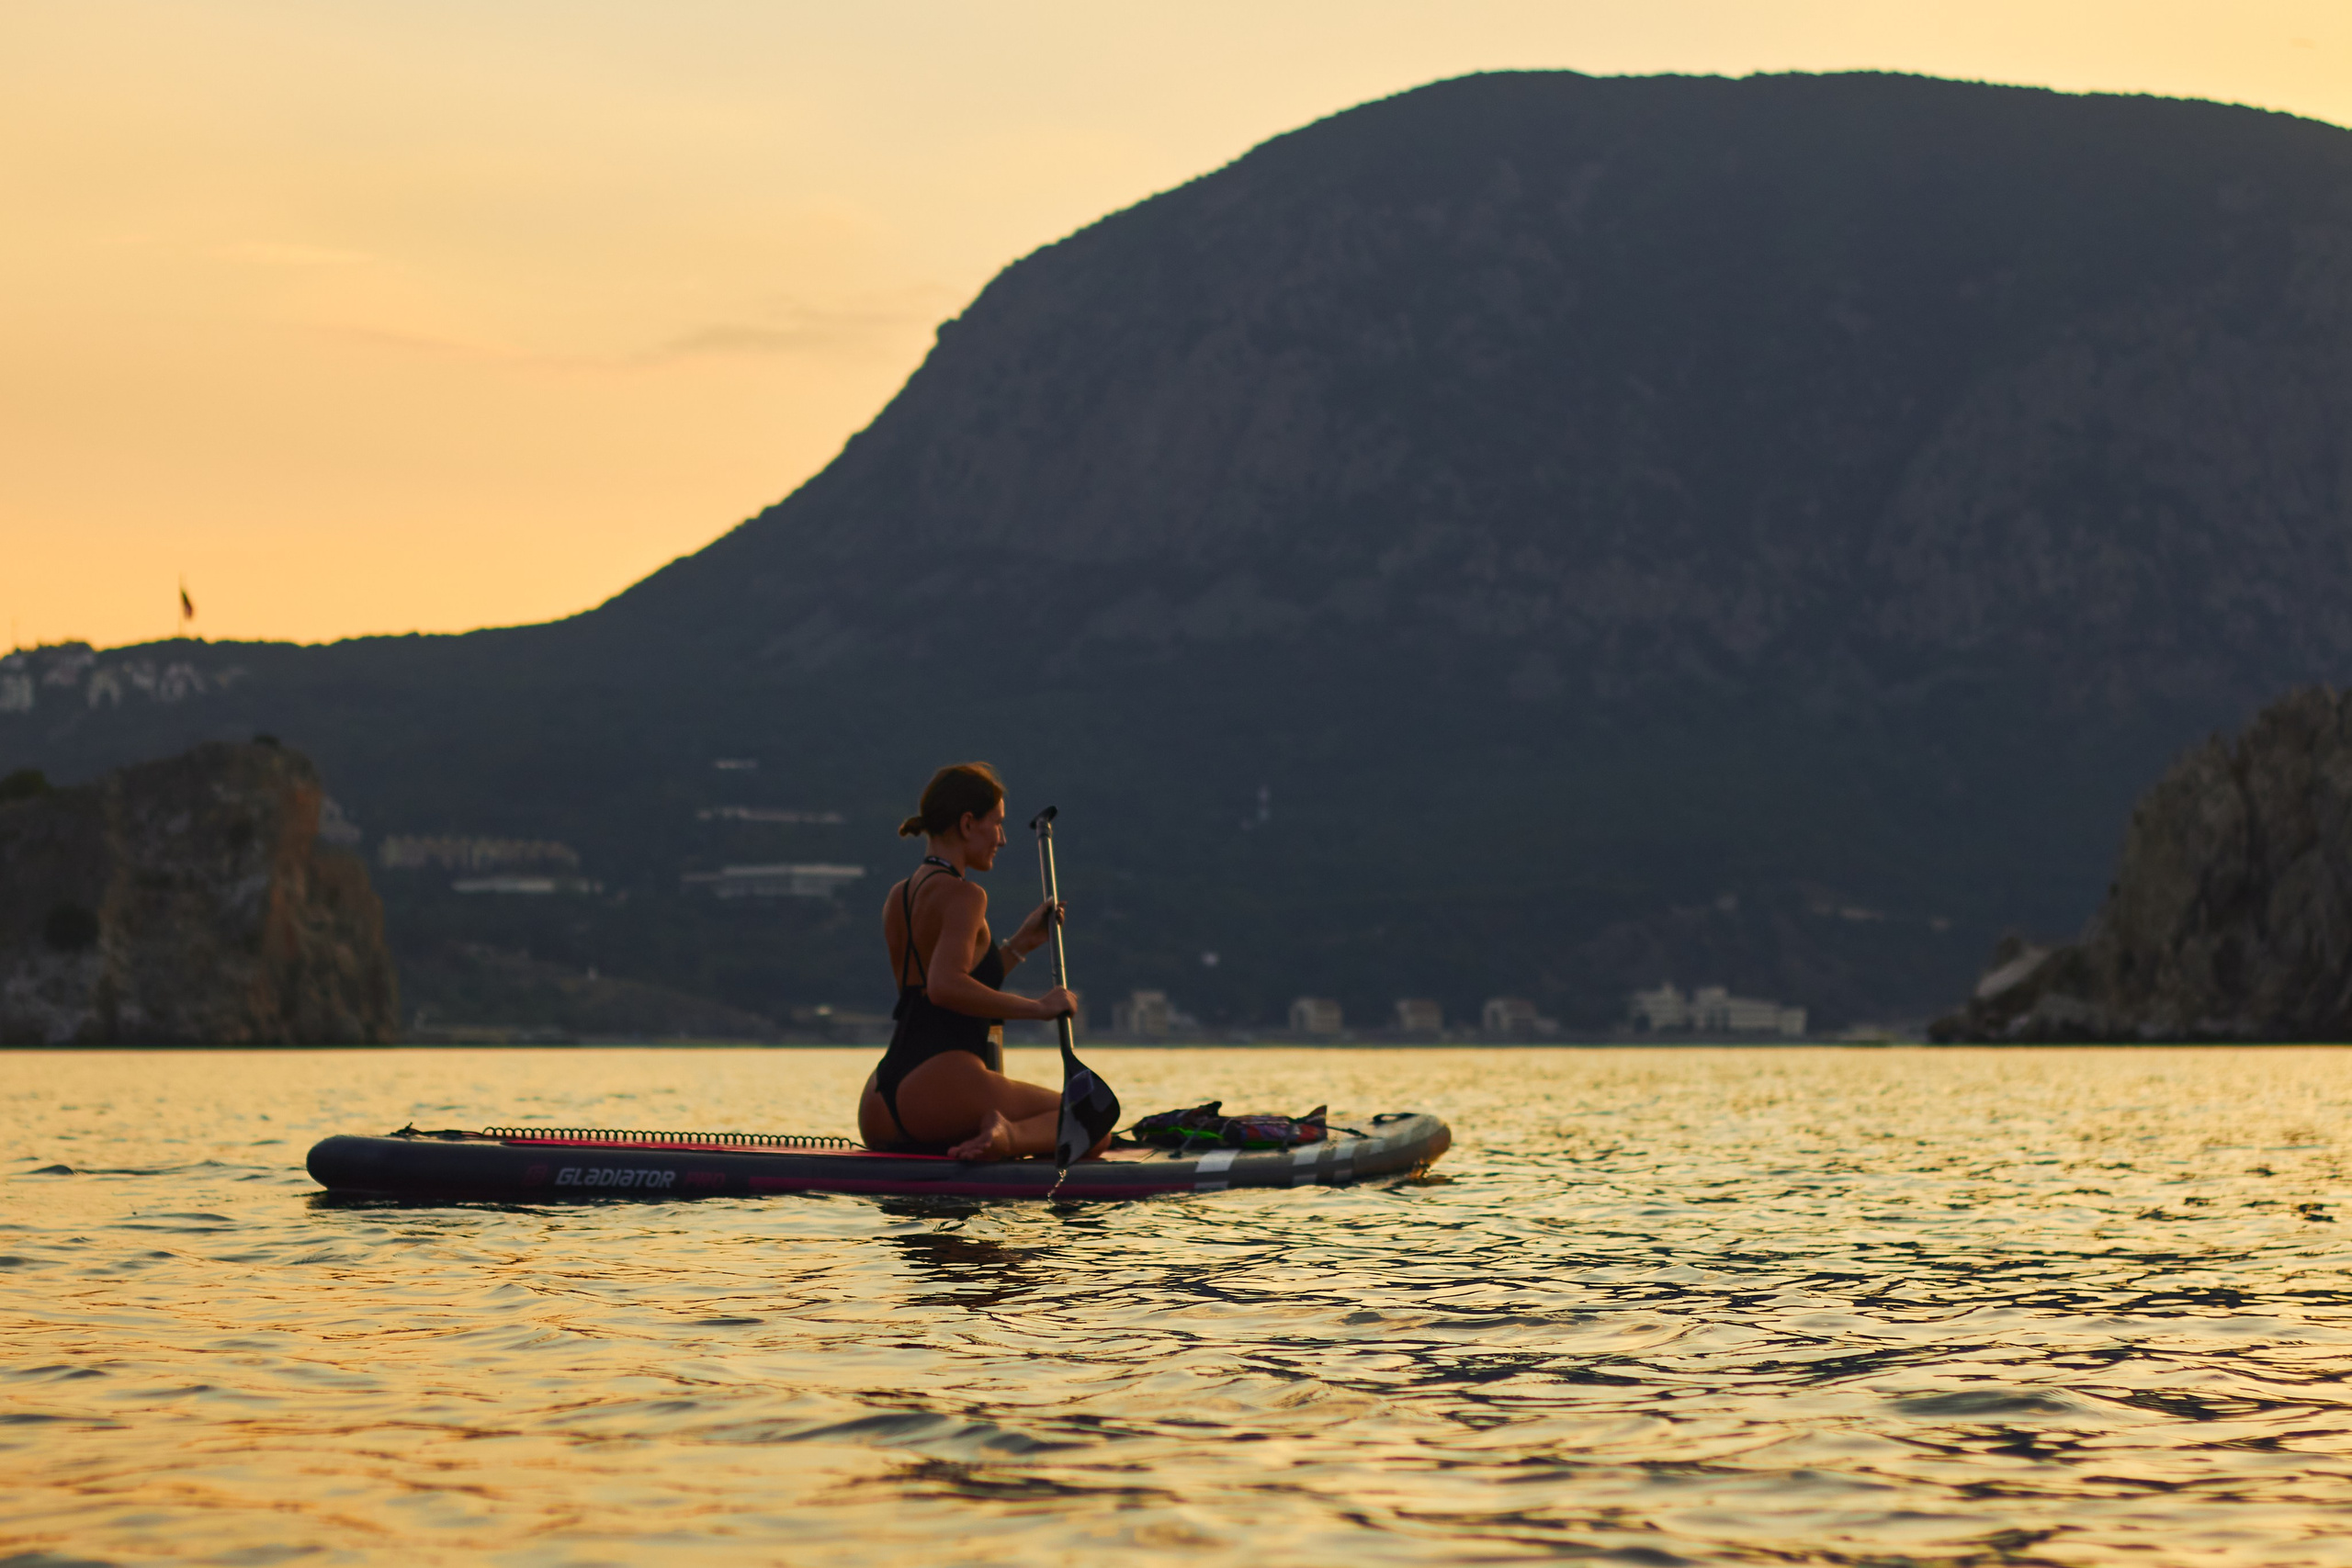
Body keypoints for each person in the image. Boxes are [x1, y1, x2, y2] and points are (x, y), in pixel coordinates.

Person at [857, 762, 1106, 1162]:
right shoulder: (966, 895)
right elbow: (946, 986)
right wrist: (1040, 1008)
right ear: (968, 824)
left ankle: (997, 1133)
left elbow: (939, 984)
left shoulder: (899, 896)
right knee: (1091, 1122)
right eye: (997, 824)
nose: (1003, 839)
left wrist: (1020, 945)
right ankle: (1007, 1136)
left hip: (880, 1100)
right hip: (941, 1086)